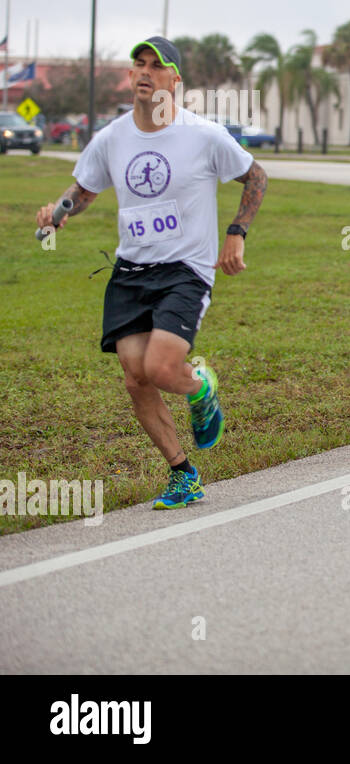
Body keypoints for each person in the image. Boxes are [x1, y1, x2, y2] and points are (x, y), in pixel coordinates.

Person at [35, 36, 268, 509]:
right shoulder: (112, 138)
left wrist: (236, 232)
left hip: (185, 268)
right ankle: (183, 474)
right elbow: (85, 190)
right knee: (135, 377)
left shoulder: (202, 135)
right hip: (130, 270)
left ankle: (200, 386)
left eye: (156, 67)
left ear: (174, 80)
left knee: (160, 368)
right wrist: (59, 211)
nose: (145, 73)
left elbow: (256, 176)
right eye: (138, 65)